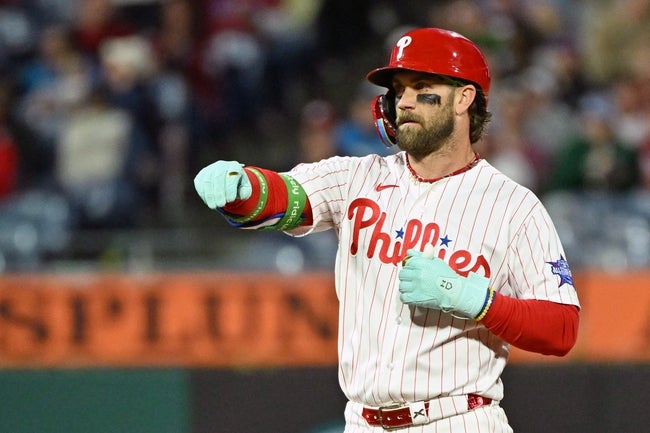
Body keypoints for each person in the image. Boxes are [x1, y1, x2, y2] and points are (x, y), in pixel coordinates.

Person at [194, 27, 580, 432]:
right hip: (363, 421)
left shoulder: (513, 206)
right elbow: (284, 196)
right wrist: (242, 187)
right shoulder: (357, 177)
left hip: (458, 419)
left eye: (422, 87)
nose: (405, 101)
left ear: (465, 98)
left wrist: (473, 298)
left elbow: (561, 328)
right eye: (398, 90)